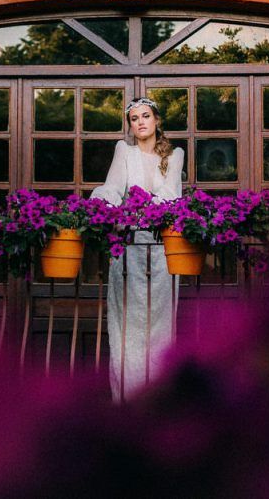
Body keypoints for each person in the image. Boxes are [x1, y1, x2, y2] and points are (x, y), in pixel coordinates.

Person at [90, 97, 184, 402]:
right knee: (128, 325)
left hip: (160, 253)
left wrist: (133, 215)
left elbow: (169, 195)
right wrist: (103, 205)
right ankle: (127, 399)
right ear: (130, 125)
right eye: (134, 118)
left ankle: (158, 398)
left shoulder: (175, 154)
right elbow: (113, 187)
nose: (140, 122)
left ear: (157, 120)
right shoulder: (124, 151)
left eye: (146, 116)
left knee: (158, 325)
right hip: (127, 249)